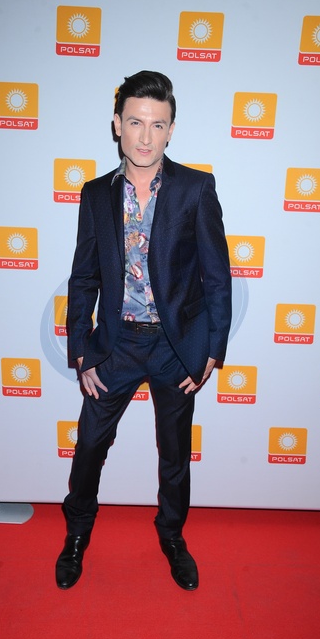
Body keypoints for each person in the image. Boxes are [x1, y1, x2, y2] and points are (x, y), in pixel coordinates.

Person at [56, 70, 232, 591]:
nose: (145, 137)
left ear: (171, 130)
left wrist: (211, 349)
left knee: (175, 453)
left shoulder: (196, 189)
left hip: (177, 347)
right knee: (90, 445)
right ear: (118, 124)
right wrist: (82, 351)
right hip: (117, 345)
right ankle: (77, 534)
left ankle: (172, 537)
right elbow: (84, 276)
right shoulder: (95, 194)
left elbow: (217, 275)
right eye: (135, 122)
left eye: (157, 125)